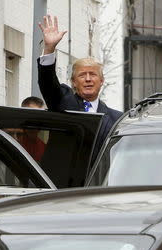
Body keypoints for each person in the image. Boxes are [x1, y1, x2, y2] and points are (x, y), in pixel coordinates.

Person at [37, 15, 123, 162]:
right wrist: (49, 48)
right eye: (82, 75)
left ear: (102, 81)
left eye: (93, 74)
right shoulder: (62, 101)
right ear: (73, 82)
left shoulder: (117, 119)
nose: (88, 79)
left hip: (99, 182)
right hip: (63, 183)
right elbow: (48, 83)